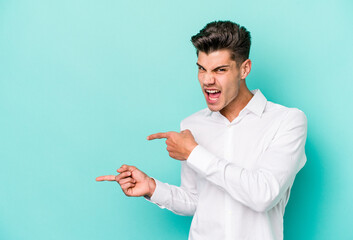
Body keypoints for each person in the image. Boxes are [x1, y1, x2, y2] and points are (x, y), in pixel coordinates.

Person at [96, 21, 307, 240]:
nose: (207, 80)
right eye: (201, 68)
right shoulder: (192, 125)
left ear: (244, 69)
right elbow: (197, 200)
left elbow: (263, 195)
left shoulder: (287, 121)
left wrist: (194, 153)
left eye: (220, 70)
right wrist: (152, 187)